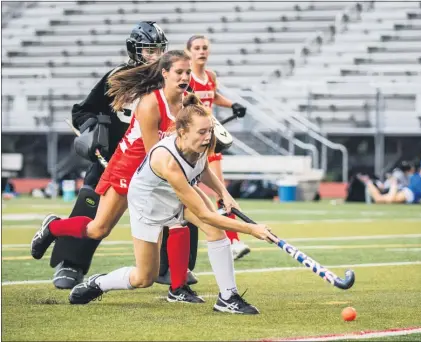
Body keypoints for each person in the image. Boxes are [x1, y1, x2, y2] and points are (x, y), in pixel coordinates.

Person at [35, 94, 275, 314]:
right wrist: (253, 230)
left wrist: (224, 193)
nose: (208, 137)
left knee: (213, 231)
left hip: (170, 191)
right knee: (142, 276)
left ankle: (226, 297)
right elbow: (205, 214)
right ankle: (98, 282)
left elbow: (202, 168)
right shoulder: (167, 156)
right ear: (181, 131)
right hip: (147, 203)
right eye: (202, 132)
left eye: (209, 131)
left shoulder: (200, 141)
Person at [31, 50, 202, 302]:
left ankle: (178, 288)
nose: (186, 77)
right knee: (98, 228)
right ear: (165, 73)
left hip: (155, 168)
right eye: (180, 72)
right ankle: (54, 227)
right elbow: (153, 152)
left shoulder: (187, 102)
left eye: (188, 72)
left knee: (178, 219)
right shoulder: (152, 102)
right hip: (130, 167)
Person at [46, 21, 169, 290]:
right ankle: (71, 262)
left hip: (155, 161)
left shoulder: (169, 79)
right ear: (134, 49)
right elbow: (82, 111)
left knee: (176, 206)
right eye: (150, 50)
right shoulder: (118, 76)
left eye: (160, 50)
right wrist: (92, 131)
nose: (156, 57)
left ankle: (169, 266)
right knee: (90, 207)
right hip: (113, 159)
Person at [156, 35, 250, 286]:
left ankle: (233, 241)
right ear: (188, 51)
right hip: (190, 143)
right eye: (196, 48)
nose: (201, 52)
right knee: (198, 197)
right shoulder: (186, 82)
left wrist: (233, 104)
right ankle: (230, 240)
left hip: (209, 140)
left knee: (219, 188)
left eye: (205, 48)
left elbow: (214, 96)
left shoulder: (209, 76)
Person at [357, 156, 421, 204]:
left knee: (379, 199)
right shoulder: (415, 177)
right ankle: (369, 182)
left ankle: (369, 182)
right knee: (383, 200)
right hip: (407, 193)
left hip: (405, 192)